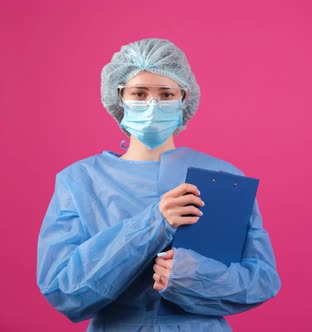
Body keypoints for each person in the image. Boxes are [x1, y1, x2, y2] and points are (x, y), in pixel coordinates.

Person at [36, 38, 281, 331]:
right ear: (119, 97)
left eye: (166, 94)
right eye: (139, 93)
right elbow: (64, 292)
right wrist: (154, 223)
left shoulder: (223, 177)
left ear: (183, 98)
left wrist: (191, 276)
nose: (152, 105)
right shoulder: (79, 181)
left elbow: (262, 281)